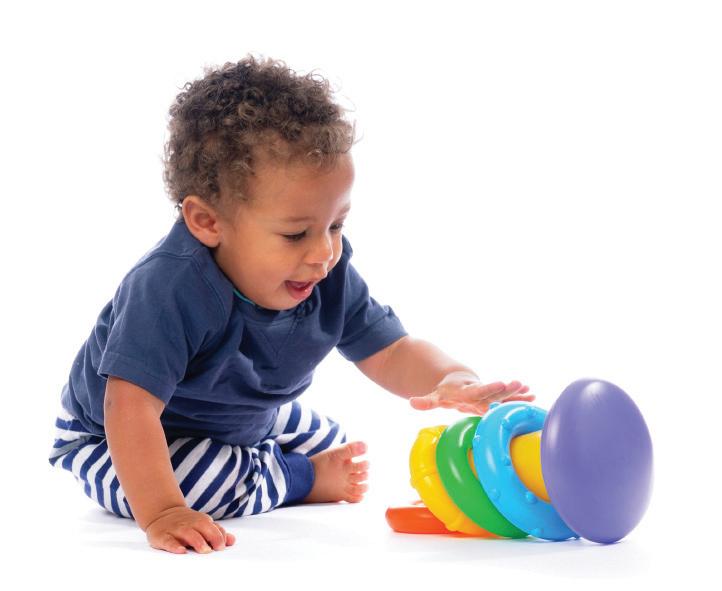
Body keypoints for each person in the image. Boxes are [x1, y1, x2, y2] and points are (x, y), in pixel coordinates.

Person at [48, 54, 535, 555]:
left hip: (241, 415)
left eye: (336, 225)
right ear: (208, 222)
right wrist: (164, 512)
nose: (324, 252)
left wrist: (452, 379)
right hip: (114, 435)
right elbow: (129, 407)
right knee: (202, 487)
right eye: (296, 234)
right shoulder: (167, 288)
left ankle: (268, 456)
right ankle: (295, 478)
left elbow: (391, 351)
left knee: (330, 436)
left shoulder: (325, 272)